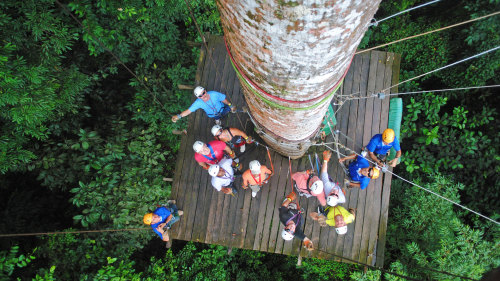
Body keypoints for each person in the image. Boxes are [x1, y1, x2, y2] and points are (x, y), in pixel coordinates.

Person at [171, 86, 236, 124]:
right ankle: (217, 120)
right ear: (198, 97)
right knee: (216, 117)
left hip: (222, 108)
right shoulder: (198, 103)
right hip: (213, 114)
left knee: (228, 109)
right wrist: (178, 116)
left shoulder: (214, 94)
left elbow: (223, 99)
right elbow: (188, 111)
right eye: (200, 95)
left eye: (203, 93)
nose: (203, 95)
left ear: (205, 91)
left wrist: (230, 105)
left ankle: (230, 110)